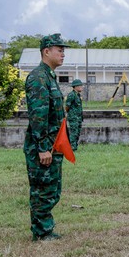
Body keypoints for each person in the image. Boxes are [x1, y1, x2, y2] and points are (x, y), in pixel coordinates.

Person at [24, 33, 70, 241]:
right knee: (42, 189)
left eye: (63, 50)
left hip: (54, 144)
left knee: (52, 188)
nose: (62, 54)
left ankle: (45, 229)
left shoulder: (49, 76)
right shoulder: (38, 78)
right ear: (46, 51)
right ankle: (41, 233)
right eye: (59, 50)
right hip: (44, 146)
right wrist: (43, 147)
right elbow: (38, 117)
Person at [65, 79, 84, 151]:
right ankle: (71, 148)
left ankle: (74, 147)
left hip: (78, 117)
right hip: (73, 118)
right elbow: (67, 106)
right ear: (75, 87)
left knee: (77, 133)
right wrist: (69, 114)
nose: (81, 87)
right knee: (74, 133)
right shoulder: (71, 95)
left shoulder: (78, 95)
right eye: (79, 86)